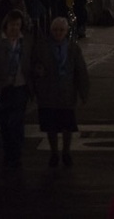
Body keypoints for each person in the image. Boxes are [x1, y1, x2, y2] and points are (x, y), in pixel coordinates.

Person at [31, 16, 89, 168]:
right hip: (48, 92)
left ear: (66, 31)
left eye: (61, 30)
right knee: (51, 126)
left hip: (66, 91)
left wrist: (83, 92)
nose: (58, 33)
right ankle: (54, 152)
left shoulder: (73, 48)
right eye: (55, 30)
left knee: (67, 125)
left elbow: (80, 70)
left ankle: (66, 151)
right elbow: (34, 66)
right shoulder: (42, 47)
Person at [0, 9, 32, 169]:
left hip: (19, 86)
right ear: (6, 25)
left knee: (16, 122)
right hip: (2, 87)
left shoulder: (25, 41)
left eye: (18, 25)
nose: (15, 28)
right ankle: (8, 152)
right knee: (5, 123)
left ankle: (15, 154)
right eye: (12, 25)